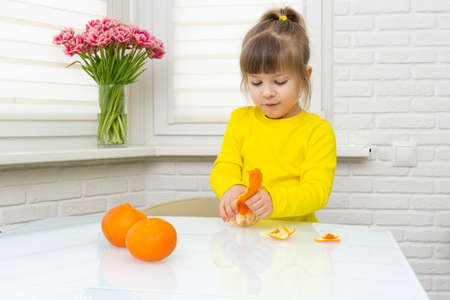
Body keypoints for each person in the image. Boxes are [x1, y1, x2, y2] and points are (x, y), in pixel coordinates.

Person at [209, 7, 337, 223]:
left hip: (297, 239)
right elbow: (225, 166)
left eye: (280, 81)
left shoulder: (317, 130)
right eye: (256, 82)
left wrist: (273, 200)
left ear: (305, 76)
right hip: (246, 237)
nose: (267, 92)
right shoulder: (240, 120)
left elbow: (317, 191)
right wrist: (231, 187)